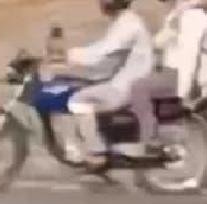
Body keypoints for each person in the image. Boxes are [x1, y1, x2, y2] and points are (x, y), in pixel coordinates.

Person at [62, 0, 155, 167]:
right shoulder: (124, 21)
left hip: (126, 87)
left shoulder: (128, 25)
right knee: (82, 87)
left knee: (77, 100)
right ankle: (100, 140)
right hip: (126, 81)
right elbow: (104, 52)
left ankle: (96, 152)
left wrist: (68, 56)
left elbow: (101, 54)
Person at [130, 0, 207, 153]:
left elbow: (190, 56)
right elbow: (162, 41)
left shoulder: (194, 17)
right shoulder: (179, 13)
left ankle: (150, 138)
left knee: (138, 88)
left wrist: (182, 93)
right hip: (174, 73)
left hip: (182, 78)